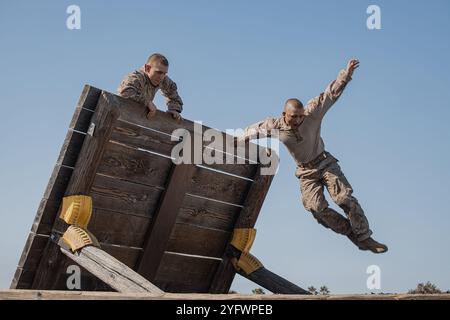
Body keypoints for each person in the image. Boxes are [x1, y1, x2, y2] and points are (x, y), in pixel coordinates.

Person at [239, 59, 388, 253]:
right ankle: (351, 233)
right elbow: (253, 130)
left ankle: (365, 237)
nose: (298, 120)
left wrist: (346, 74)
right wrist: (239, 140)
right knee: (316, 208)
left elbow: (330, 94)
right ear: (284, 114)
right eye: (294, 117)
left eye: (300, 116)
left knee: (344, 198)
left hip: (325, 163)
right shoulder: (275, 126)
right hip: (306, 171)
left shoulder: (312, 113)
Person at [118, 53, 183, 121]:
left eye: (164, 73)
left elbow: (173, 92)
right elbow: (125, 93)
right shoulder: (136, 78)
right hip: (121, 116)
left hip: (138, 120)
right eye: (159, 72)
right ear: (148, 68)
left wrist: (174, 109)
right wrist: (147, 102)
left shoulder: (163, 79)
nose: (161, 77)